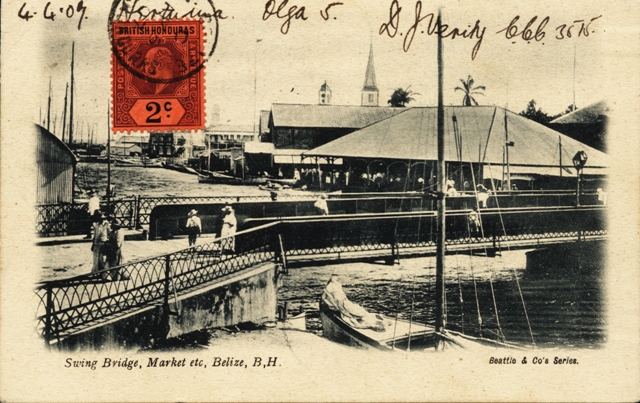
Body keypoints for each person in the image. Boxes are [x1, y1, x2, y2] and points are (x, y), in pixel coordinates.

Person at [91, 211, 111, 279]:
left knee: (103, 259)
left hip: (103, 243)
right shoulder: (96, 225)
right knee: (96, 259)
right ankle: (96, 272)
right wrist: (93, 244)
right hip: (97, 244)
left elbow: (109, 234)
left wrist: (108, 242)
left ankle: (104, 274)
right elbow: (95, 235)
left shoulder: (106, 225)